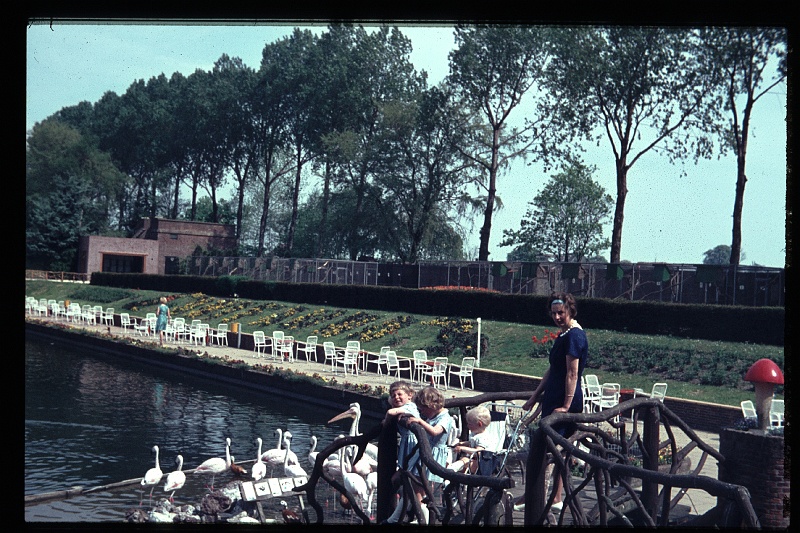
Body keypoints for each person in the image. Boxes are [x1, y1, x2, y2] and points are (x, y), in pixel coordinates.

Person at [520, 292, 588, 512]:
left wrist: (567, 406)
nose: (557, 317)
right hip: (553, 397)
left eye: (561, 312)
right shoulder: (563, 334)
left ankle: (539, 498)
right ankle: (551, 496)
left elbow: (572, 373)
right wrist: (534, 396)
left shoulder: (574, 336)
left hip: (564, 400)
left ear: (570, 311)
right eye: (554, 313)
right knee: (555, 450)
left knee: (550, 450)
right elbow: (553, 369)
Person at [405, 386, 456, 524]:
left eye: (423, 410)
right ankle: (419, 513)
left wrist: (419, 421)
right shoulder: (435, 415)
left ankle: (423, 516)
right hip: (426, 451)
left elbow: (435, 431)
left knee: (420, 486)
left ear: (431, 406)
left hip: (433, 453)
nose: (422, 412)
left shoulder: (445, 418)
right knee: (418, 485)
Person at [382, 380, 420, 524]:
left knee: (408, 482)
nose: (396, 397)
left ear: (410, 395)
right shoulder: (407, 406)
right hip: (407, 444)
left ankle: (395, 518)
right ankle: (404, 514)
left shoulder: (410, 407)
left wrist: (386, 421)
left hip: (412, 444)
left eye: (399, 394)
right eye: (393, 395)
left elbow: (392, 411)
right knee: (405, 483)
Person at [447, 404, 501, 474]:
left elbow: (478, 452)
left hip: (482, 464)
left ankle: (451, 471)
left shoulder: (483, 438)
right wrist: (463, 443)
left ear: (479, 424)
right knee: (461, 458)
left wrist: (462, 448)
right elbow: (472, 443)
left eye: (469, 424)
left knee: (464, 461)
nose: (467, 426)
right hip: (473, 460)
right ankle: (456, 476)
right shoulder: (475, 433)